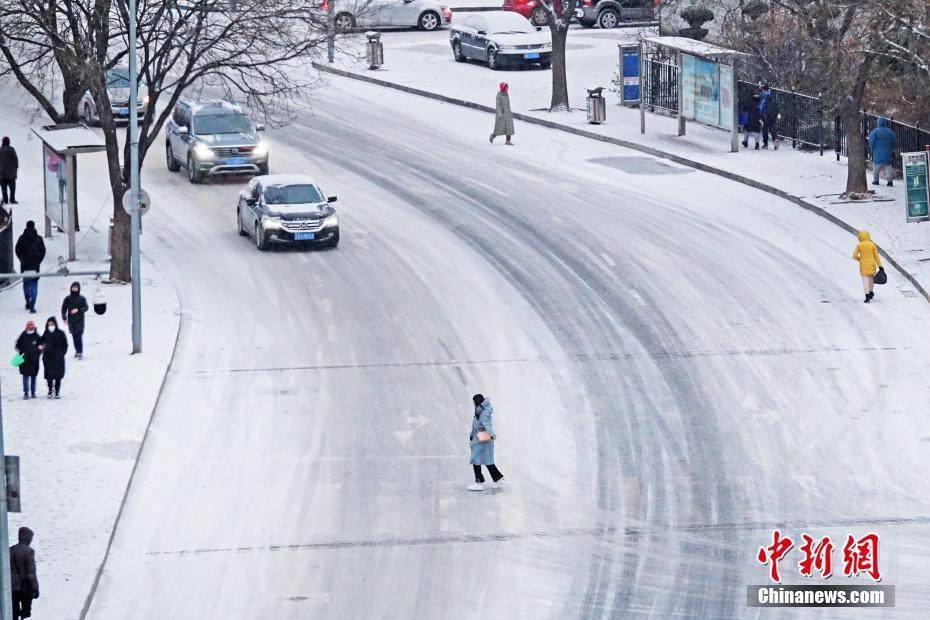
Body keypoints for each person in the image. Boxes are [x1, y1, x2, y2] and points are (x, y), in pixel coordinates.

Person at [468, 394, 505, 491]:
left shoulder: (483, 412)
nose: (473, 403)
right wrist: (472, 435)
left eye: (473, 402)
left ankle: (478, 482)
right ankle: (499, 479)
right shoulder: (480, 410)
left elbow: (486, 423)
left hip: (482, 437)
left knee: (476, 459)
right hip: (481, 436)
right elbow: (475, 425)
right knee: (487, 460)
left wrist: (492, 434)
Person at [14, 221, 46, 314]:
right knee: (34, 286)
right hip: (35, 266)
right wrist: (38, 261)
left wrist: (22, 259)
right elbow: (43, 251)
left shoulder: (22, 238)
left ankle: (28, 302)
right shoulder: (38, 239)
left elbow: (17, 250)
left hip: (25, 266)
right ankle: (32, 304)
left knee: (26, 286)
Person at [9, 526, 39, 620]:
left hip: (12, 587)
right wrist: (35, 589)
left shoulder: (10, 550)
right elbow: (31, 573)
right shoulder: (29, 551)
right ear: (28, 538)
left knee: (14, 613)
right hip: (25, 587)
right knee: (25, 613)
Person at [852, 230, 882, 303]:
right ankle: (871, 292)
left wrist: (860, 259)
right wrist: (880, 266)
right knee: (871, 279)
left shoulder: (859, 245)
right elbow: (877, 256)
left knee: (865, 281)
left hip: (863, 265)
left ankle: (867, 297)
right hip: (872, 265)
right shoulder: (872, 244)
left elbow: (854, 256)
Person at [40, 317, 67, 398]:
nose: (51, 325)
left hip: (58, 358)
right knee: (49, 376)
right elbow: (40, 343)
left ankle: (57, 391)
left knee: (58, 376)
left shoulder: (61, 333)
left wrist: (61, 353)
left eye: (52, 324)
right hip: (48, 358)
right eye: (49, 324)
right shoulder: (45, 334)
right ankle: (50, 390)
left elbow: (65, 345)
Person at [61, 281, 88, 359]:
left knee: (79, 336)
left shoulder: (82, 298)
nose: (74, 289)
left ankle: (80, 352)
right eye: (73, 287)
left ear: (79, 288)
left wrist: (78, 310)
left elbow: (86, 307)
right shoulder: (68, 298)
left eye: (76, 287)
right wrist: (64, 318)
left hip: (80, 320)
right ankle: (77, 350)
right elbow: (64, 308)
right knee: (74, 336)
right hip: (71, 321)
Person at [15, 321, 41, 400]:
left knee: (33, 376)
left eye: (31, 325)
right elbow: (17, 345)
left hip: (34, 360)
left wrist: (37, 354)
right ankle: (26, 393)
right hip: (24, 360)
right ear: (26, 326)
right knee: (25, 376)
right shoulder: (23, 335)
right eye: (29, 325)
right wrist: (22, 352)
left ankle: (33, 392)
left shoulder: (37, 336)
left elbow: (41, 347)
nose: (30, 326)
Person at [867, 117, 896, 187]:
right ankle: (889, 181)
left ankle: (876, 180)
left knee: (876, 168)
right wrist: (891, 148)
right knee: (888, 167)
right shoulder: (890, 132)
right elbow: (894, 141)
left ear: (878, 123)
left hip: (877, 153)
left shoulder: (875, 132)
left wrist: (872, 150)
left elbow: (871, 141)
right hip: (887, 153)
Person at [0, 136, 18, 205]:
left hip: (2, 173)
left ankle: (5, 200)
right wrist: (15, 168)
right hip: (11, 173)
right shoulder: (11, 149)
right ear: (8, 142)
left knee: (3, 188)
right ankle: (12, 199)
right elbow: (15, 160)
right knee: (12, 188)